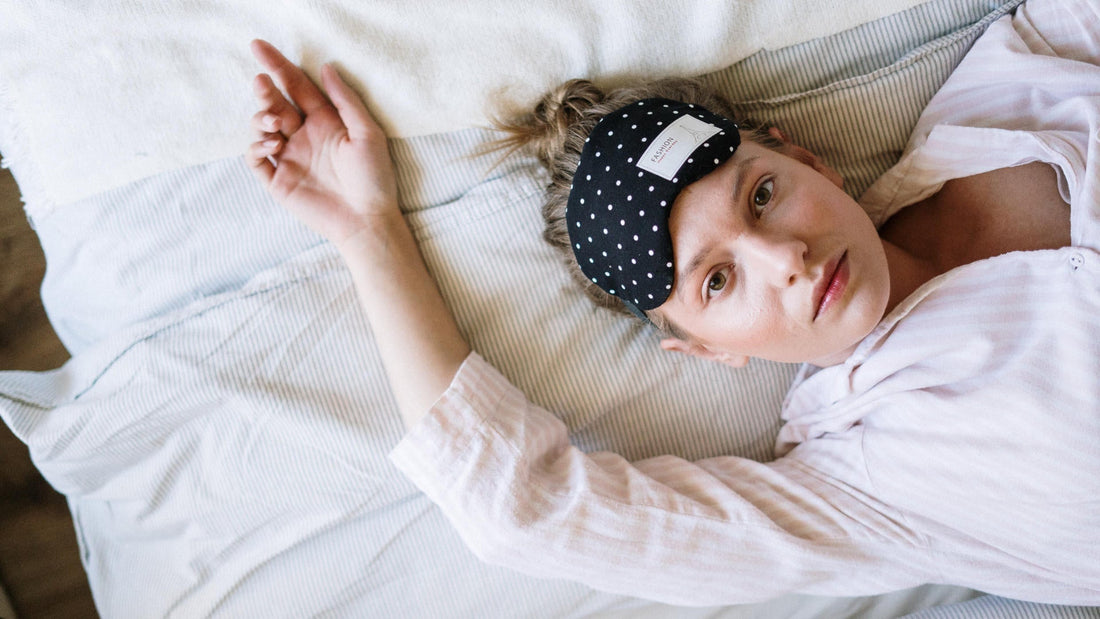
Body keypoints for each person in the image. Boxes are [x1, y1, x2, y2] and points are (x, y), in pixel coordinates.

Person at [245, 0, 1099, 606]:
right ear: (704, 347)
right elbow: (524, 510)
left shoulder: (1015, 88)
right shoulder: (868, 480)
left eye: (763, 196)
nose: (785, 258)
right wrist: (369, 230)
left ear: (806, 159)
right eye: (718, 282)